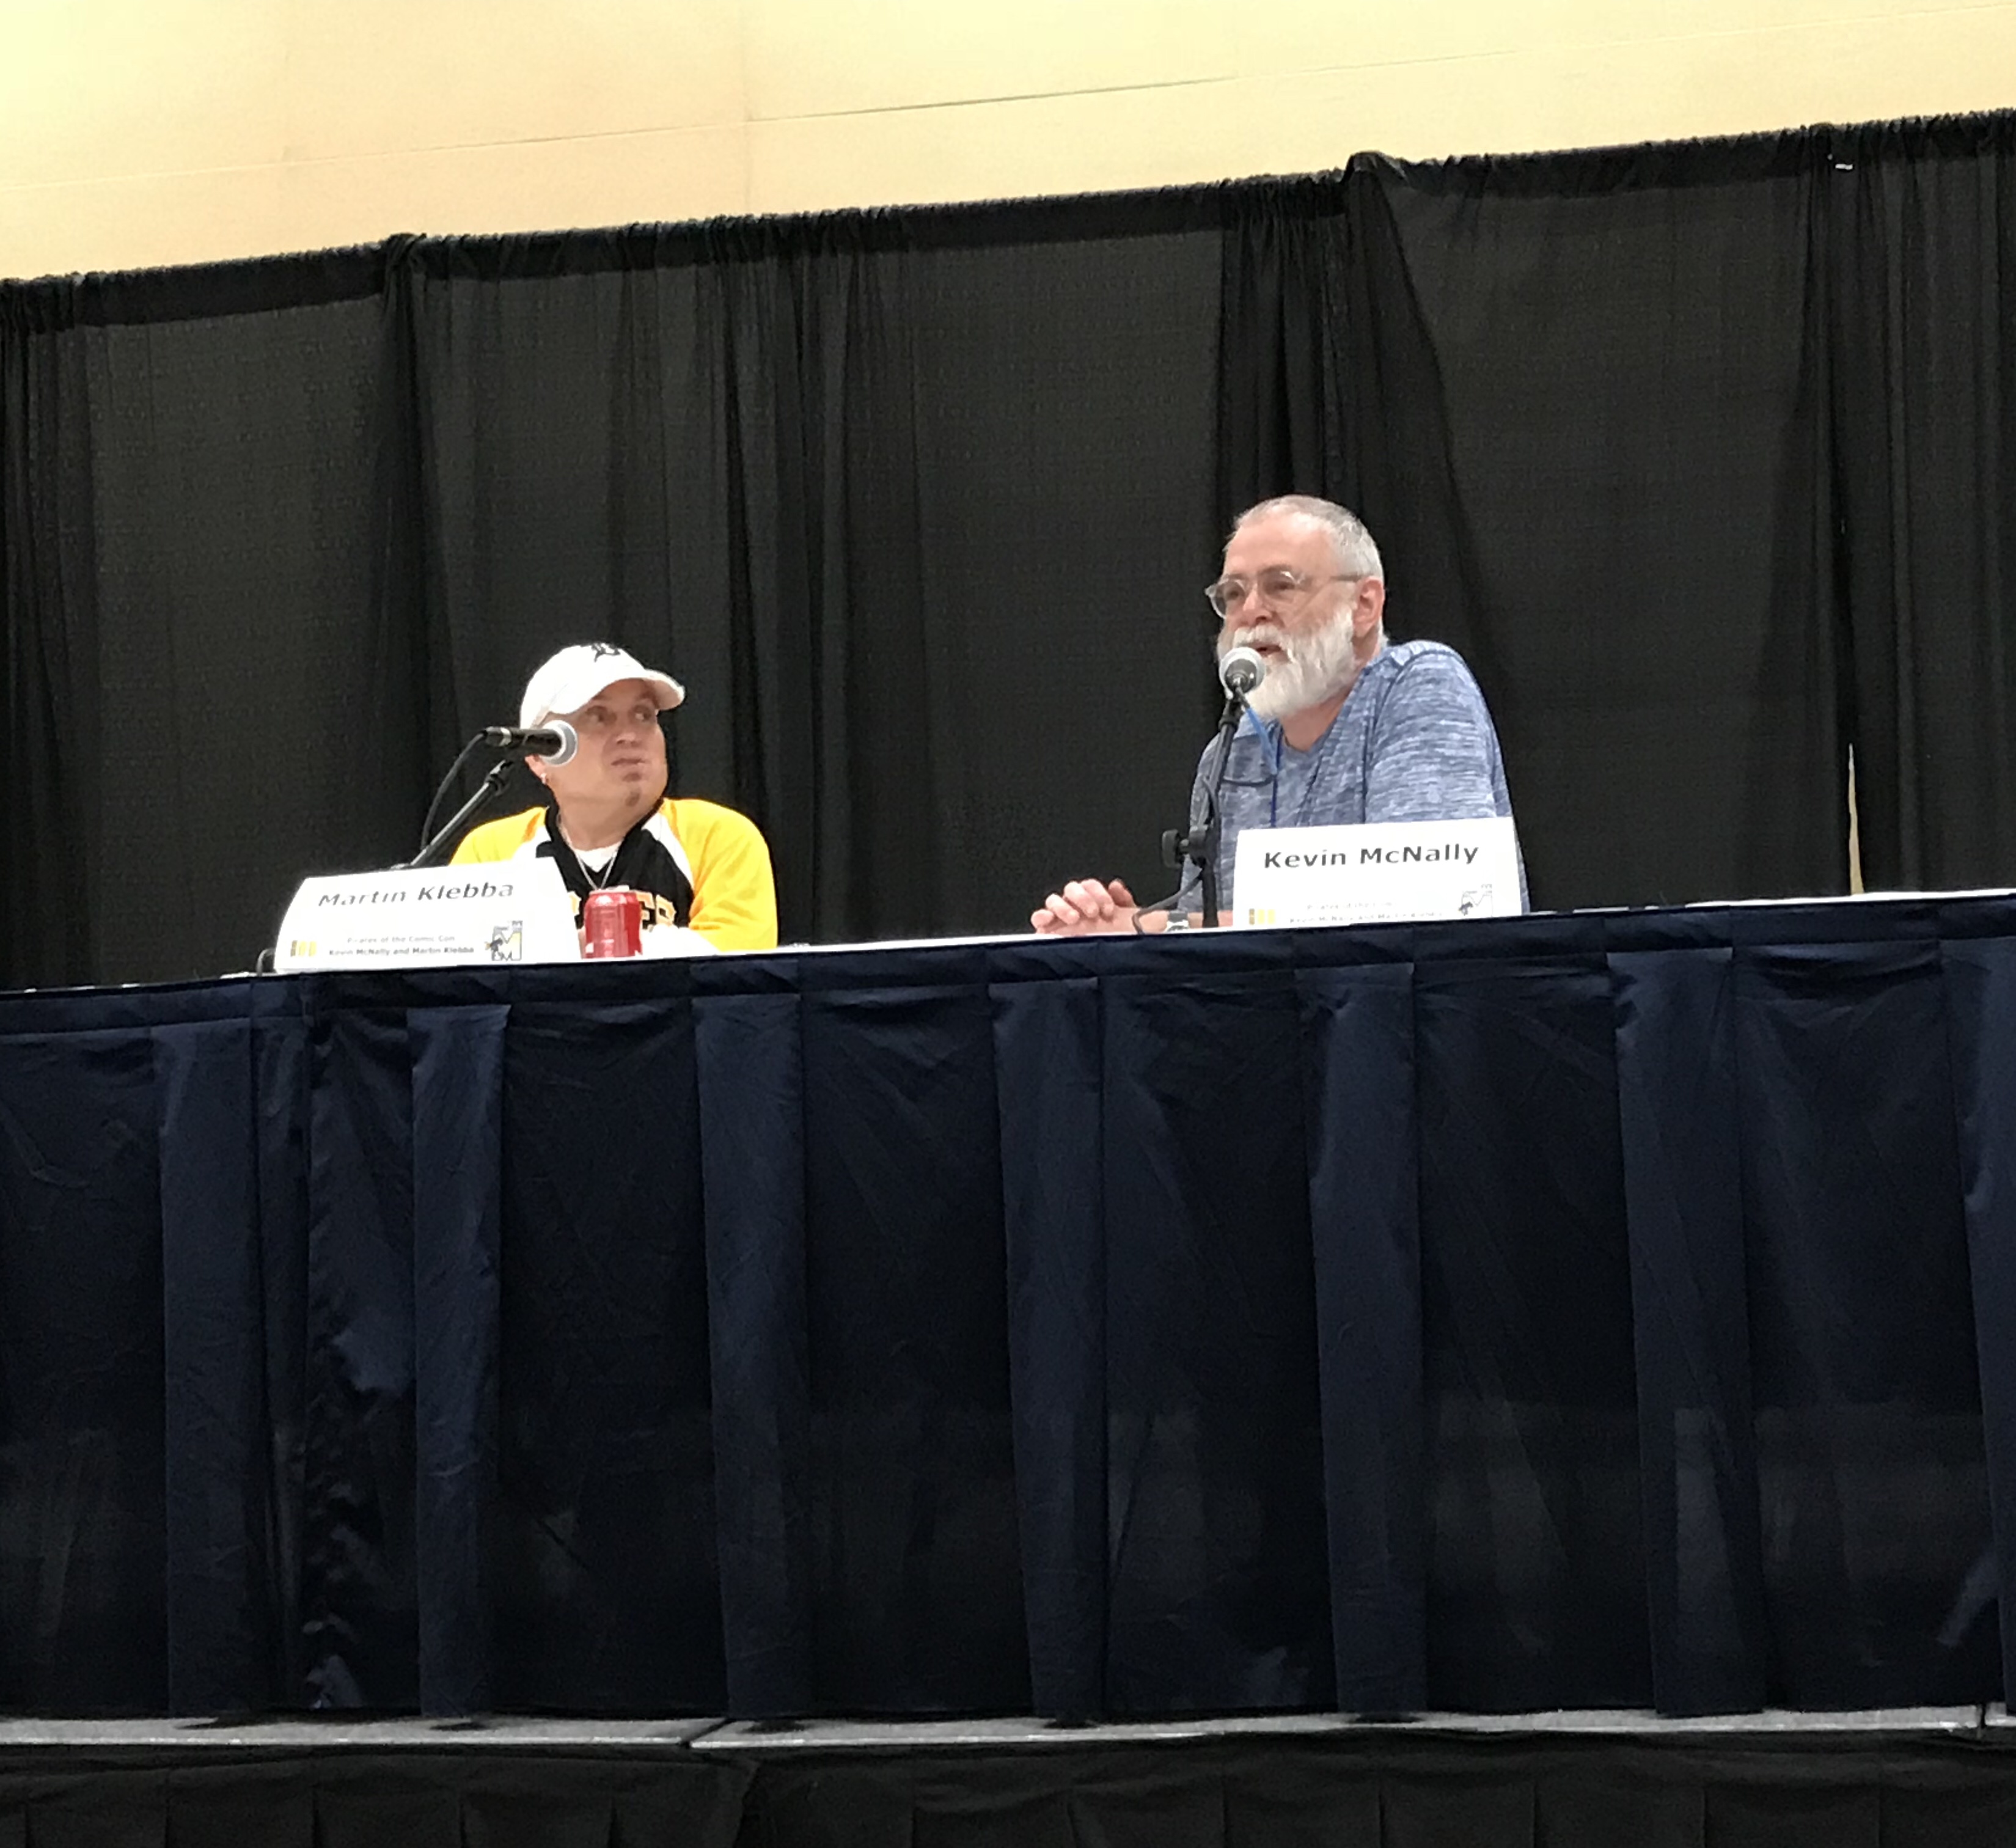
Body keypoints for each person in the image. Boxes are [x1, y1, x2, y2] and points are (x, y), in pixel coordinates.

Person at [1032, 494, 1519, 934]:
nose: (1251, 612)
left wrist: (1148, 927)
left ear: (1364, 606)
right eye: (1233, 594)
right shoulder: (1230, 753)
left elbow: (1424, 907)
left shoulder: (1418, 684)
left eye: (1280, 586)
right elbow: (1205, 942)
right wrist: (1117, 933)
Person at [453, 642, 778, 953]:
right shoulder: (491, 853)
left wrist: (581, 951)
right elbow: (461, 967)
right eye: (598, 716)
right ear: (538, 757)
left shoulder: (718, 837)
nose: (630, 735)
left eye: (644, 715)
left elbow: (734, 967)